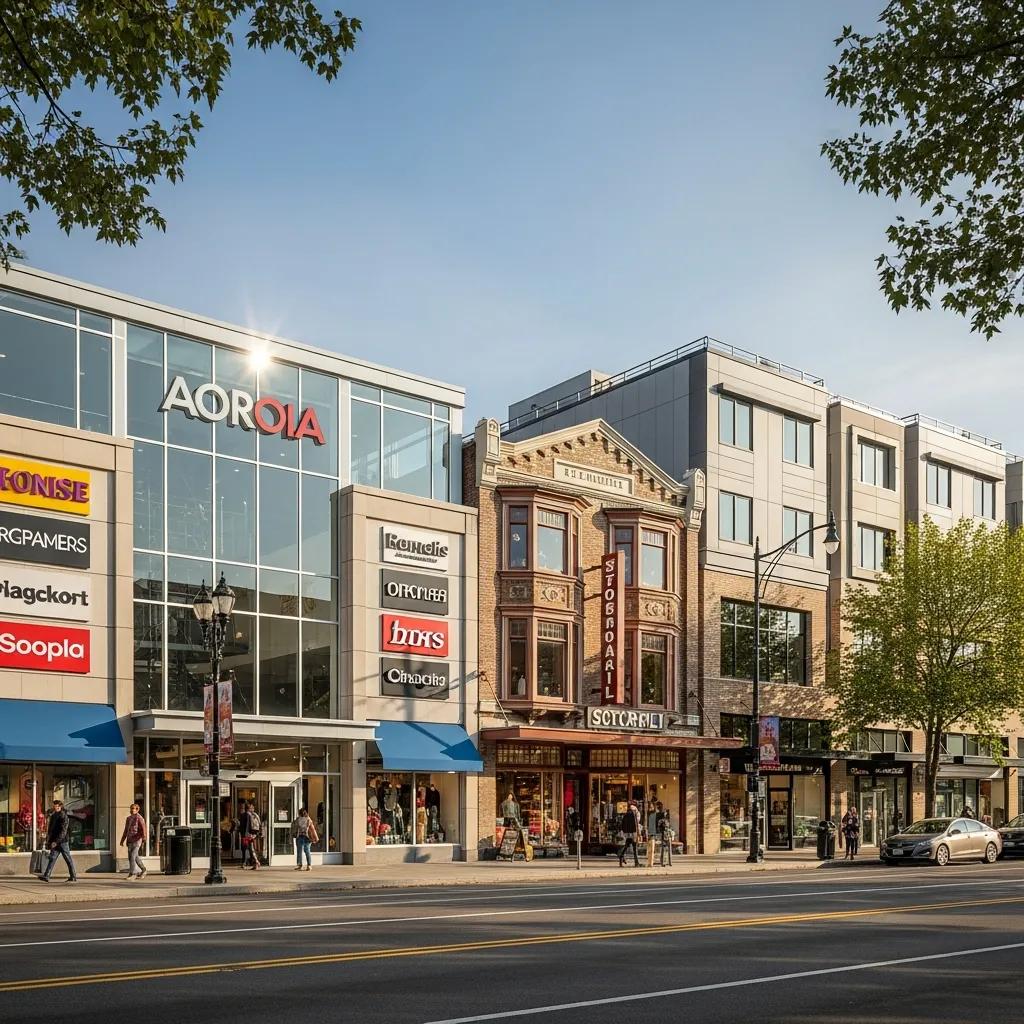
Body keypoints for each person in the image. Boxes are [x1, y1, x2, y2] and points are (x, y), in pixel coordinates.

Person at [39, 799, 77, 883]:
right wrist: (49, 840)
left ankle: (73, 876)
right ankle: (46, 876)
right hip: (54, 841)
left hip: (62, 842)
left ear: (60, 807)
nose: (55, 808)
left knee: (67, 858)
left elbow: (63, 831)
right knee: (52, 858)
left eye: (56, 806)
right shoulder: (53, 816)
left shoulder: (64, 816)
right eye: (54, 806)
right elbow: (51, 830)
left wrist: (56, 841)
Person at [120, 802, 147, 879]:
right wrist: (122, 840)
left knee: (132, 856)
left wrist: (144, 838)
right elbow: (126, 830)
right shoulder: (128, 819)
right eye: (131, 809)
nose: (132, 810)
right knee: (134, 857)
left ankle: (133, 874)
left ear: (137, 809)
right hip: (130, 840)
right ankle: (144, 870)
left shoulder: (140, 818)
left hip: (137, 840)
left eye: (133, 809)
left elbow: (143, 829)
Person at [291, 807, 319, 871]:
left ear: (299, 813)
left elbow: (294, 827)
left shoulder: (298, 820)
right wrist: (315, 838)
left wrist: (293, 834)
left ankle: (300, 865)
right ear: (306, 813)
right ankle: (309, 865)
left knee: (299, 852)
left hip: (300, 836)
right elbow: (312, 829)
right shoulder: (309, 819)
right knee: (307, 851)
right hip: (307, 837)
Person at [239, 802, 261, 870]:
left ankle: (256, 862)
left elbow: (245, 826)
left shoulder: (245, 815)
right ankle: (255, 863)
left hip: (247, 835)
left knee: (249, 849)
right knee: (251, 848)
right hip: (251, 834)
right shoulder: (253, 815)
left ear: (245, 808)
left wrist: (244, 835)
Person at [619, 802, 640, 867]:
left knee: (627, 845)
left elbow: (623, 823)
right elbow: (636, 823)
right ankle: (636, 863)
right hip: (633, 832)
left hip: (628, 833)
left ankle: (621, 856)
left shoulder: (627, 813)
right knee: (634, 846)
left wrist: (624, 832)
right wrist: (638, 833)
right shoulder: (635, 812)